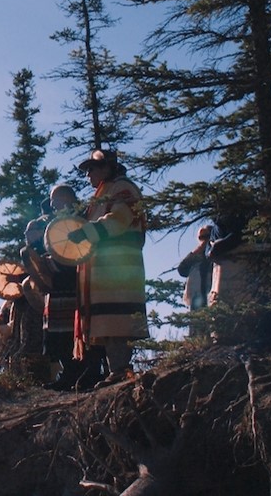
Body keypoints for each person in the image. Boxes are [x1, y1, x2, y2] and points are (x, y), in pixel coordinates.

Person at [67, 149, 148, 386]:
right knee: (110, 319)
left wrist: (86, 232)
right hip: (105, 269)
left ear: (106, 169)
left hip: (120, 267)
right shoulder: (105, 193)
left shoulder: (123, 188)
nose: (88, 175)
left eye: (91, 169)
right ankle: (117, 369)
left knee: (118, 318)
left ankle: (121, 369)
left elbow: (119, 219)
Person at [37, 184, 105, 390]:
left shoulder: (81, 218)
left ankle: (87, 373)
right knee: (58, 335)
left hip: (77, 282)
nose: (52, 205)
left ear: (67, 198)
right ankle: (69, 374)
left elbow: (85, 247)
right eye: (51, 201)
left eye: (56, 200)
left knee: (78, 330)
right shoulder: (54, 222)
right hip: (57, 285)